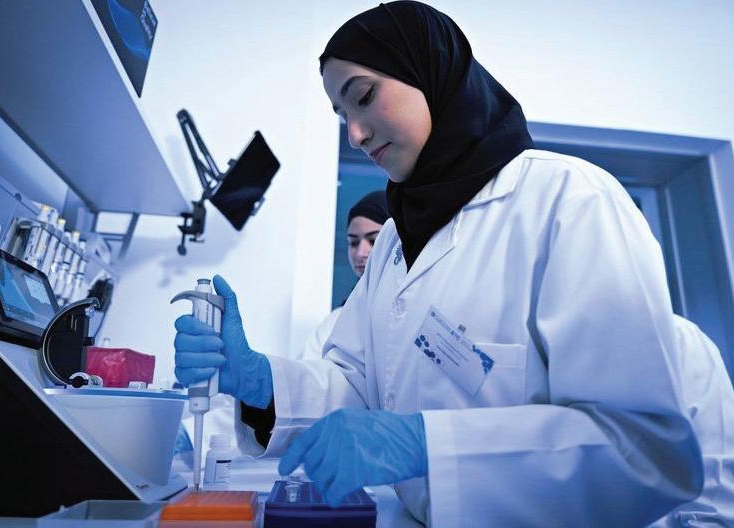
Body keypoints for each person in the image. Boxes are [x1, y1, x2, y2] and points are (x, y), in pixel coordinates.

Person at [173, 2, 734, 525]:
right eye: (342, 114)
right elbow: (358, 390)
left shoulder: (569, 201)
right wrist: (262, 383)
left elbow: (645, 449)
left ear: (431, 72)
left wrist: (426, 445)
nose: (355, 134)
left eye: (363, 96)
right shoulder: (396, 241)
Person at [301, 190, 390, 359]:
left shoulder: (418, 310)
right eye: (354, 242)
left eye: (373, 240)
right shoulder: (336, 322)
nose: (360, 253)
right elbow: (310, 369)